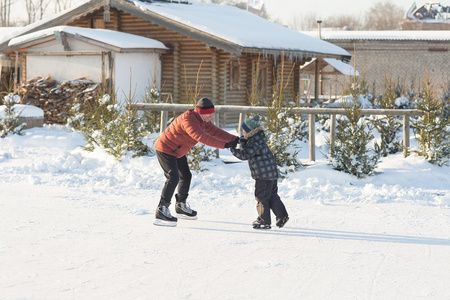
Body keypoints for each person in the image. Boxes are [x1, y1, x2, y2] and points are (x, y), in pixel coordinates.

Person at [153, 97, 239, 227]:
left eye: (212, 113)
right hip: (165, 148)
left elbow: (216, 132)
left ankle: (181, 206)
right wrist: (225, 145)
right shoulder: (189, 120)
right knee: (173, 177)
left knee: (186, 176)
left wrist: (236, 139)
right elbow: (202, 137)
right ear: (201, 112)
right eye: (209, 113)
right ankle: (161, 209)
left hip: (177, 151)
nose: (211, 116)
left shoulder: (202, 120)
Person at [230, 115, 289, 229]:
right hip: (271, 174)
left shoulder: (254, 142)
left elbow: (245, 155)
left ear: (249, 131)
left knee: (261, 197)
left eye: (244, 130)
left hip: (263, 176)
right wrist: (243, 143)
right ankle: (282, 216)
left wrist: (233, 149)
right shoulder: (259, 139)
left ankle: (264, 221)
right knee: (272, 196)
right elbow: (252, 151)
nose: (242, 132)